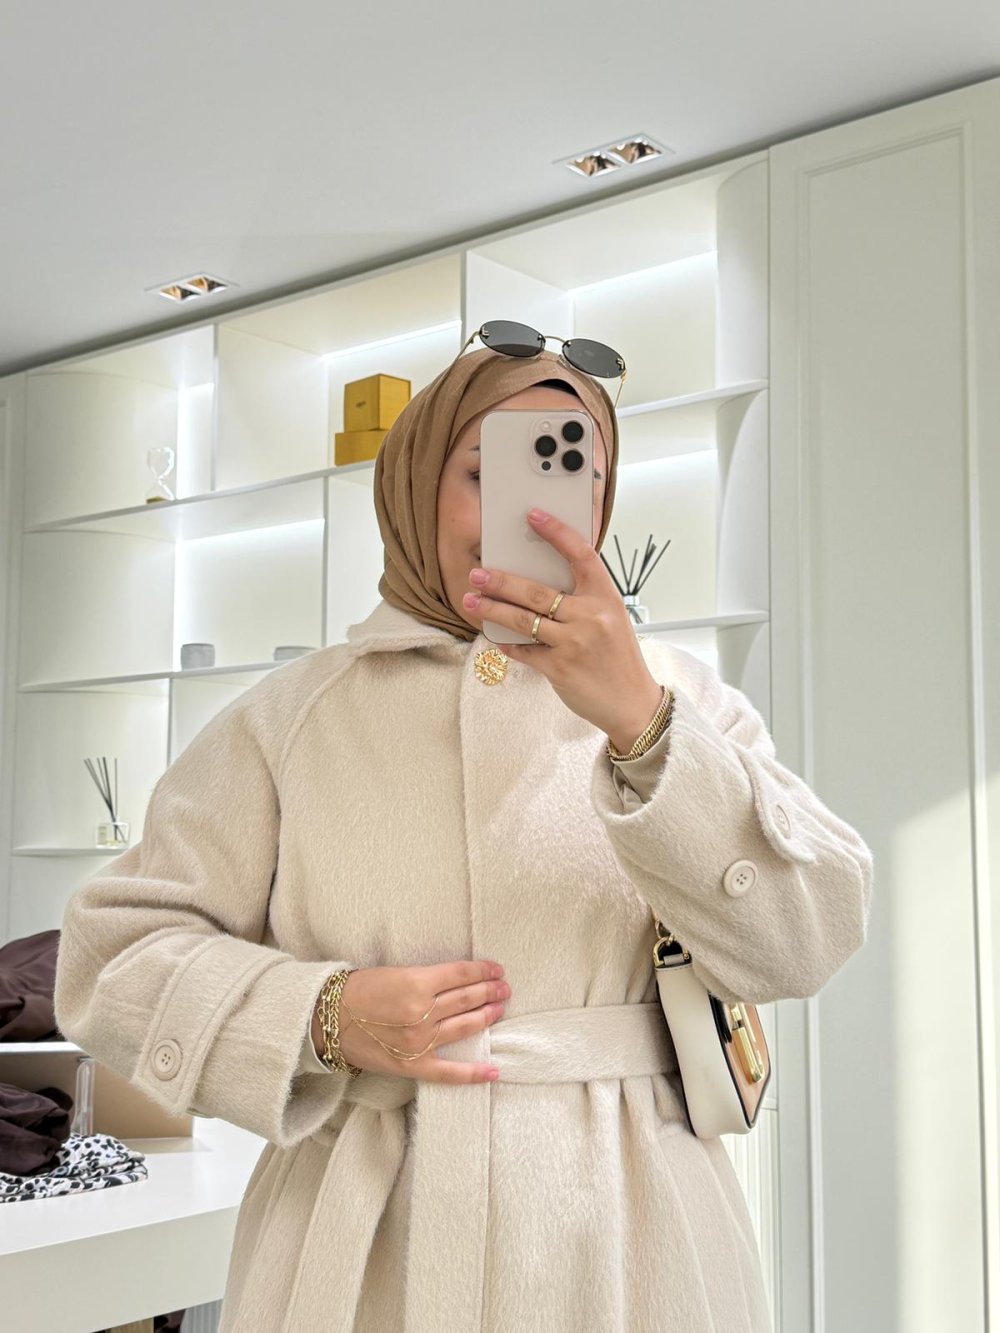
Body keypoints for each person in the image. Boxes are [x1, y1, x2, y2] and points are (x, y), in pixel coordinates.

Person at [53, 340, 874, 1332]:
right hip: (360, 1250)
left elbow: (809, 936)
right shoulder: (290, 719)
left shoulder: (681, 698)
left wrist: (644, 725)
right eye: (487, 473)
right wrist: (321, 1014)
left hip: (632, 1246)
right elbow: (112, 958)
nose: (533, 517)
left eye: (572, 475)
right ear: (412, 484)